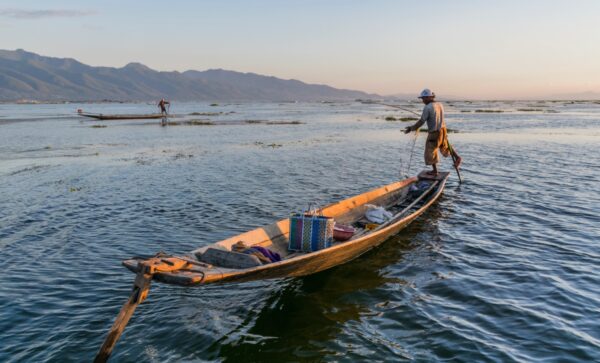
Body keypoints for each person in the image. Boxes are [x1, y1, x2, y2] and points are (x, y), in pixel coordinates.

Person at [404, 89, 462, 176]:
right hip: (443, 130)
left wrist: (411, 128)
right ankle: (457, 157)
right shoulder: (440, 104)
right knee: (445, 144)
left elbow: (421, 121)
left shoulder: (427, 108)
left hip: (434, 132)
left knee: (430, 151)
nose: (423, 100)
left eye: (424, 98)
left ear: (429, 97)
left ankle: (435, 171)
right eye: (422, 99)